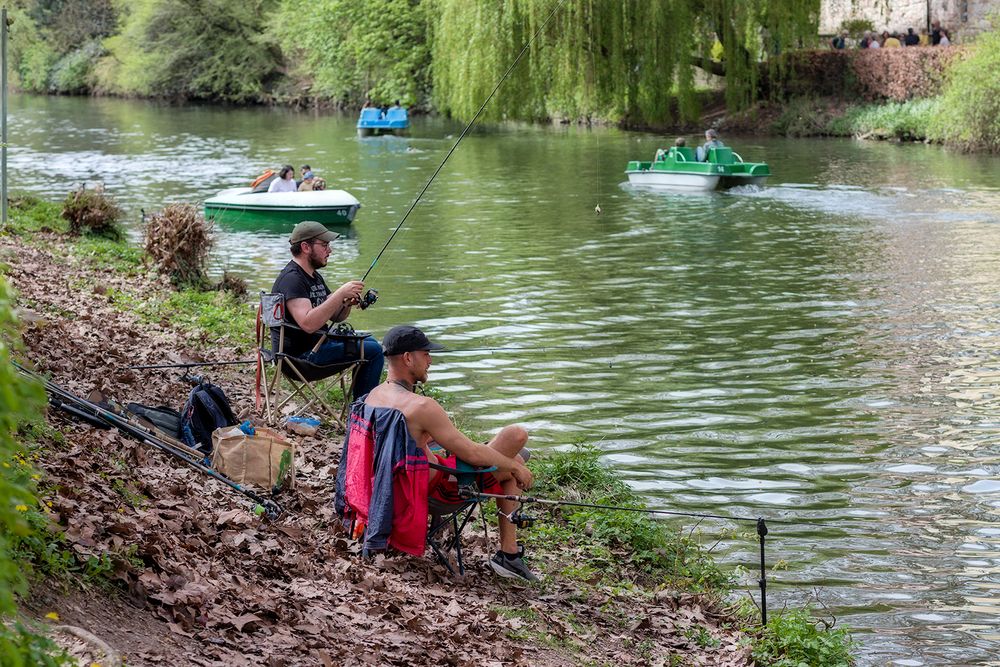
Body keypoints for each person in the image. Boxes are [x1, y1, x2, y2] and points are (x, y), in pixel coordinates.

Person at [361, 325, 538, 581]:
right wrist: (516, 468)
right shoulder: (421, 406)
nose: (430, 360)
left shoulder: (376, 396)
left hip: (391, 487)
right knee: (517, 440)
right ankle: (509, 556)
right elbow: (474, 455)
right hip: (436, 490)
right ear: (408, 358)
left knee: (511, 453)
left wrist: (430, 439)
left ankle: (509, 556)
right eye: (426, 354)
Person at [270, 221, 384, 400]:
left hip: (318, 345)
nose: (329, 250)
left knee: (370, 341)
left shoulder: (313, 276)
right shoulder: (292, 279)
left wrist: (345, 303)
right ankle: (361, 415)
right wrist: (339, 294)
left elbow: (337, 317)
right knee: (373, 351)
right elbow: (308, 324)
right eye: (324, 245)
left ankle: (361, 409)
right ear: (306, 247)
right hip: (301, 358)